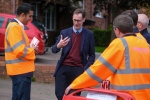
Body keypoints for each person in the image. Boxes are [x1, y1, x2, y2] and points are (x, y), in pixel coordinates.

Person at [65, 15, 150, 100]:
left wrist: (75, 84)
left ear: (117, 30)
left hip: (127, 97)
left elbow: (98, 70)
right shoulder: (145, 44)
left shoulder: (120, 44)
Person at [51, 8, 95, 100]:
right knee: (60, 94)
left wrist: (84, 69)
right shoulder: (65, 32)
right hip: (63, 67)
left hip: (78, 69)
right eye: (74, 20)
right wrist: (59, 46)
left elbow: (92, 55)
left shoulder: (89, 34)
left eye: (78, 20)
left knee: (73, 97)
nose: (76, 23)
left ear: (83, 20)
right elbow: (53, 50)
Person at [4, 3, 38, 100]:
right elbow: (19, 50)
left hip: (20, 71)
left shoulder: (16, 27)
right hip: (20, 72)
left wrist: (31, 48)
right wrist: (33, 51)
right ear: (22, 15)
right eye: (30, 16)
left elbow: (20, 48)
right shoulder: (15, 27)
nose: (31, 19)